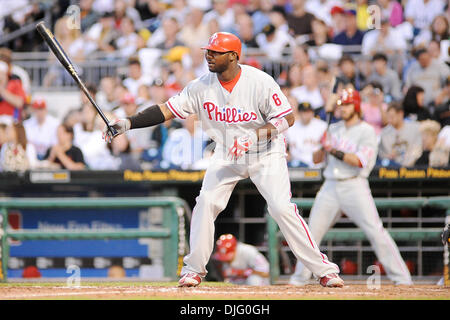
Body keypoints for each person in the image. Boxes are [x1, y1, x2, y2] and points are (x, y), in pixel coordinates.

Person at [103, 32, 344, 288]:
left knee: (281, 208)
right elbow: (165, 110)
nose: (209, 55)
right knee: (205, 202)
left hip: (266, 152)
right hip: (227, 152)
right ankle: (193, 270)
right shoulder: (201, 86)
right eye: (208, 50)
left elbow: (287, 118)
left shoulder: (259, 81)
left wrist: (254, 136)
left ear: (233, 56)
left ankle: (324, 270)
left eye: (215, 52)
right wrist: (128, 123)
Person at [289, 88, 413, 286]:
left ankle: (403, 279)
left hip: (354, 185)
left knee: (375, 232)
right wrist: (322, 146)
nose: (343, 109)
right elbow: (316, 158)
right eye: (341, 105)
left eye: (346, 105)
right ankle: (299, 279)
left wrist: (333, 149)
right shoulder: (333, 128)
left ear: (355, 106)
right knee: (311, 234)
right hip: (330, 185)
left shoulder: (366, 130)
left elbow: (359, 161)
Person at [378, 102, 423, 167]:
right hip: (392, 169)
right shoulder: (384, 133)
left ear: (401, 114)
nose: (389, 120)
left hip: (413, 168)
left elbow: (418, 149)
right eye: (388, 117)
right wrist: (387, 157)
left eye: (392, 117)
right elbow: (382, 154)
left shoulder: (415, 128)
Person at [285, 102, 327, 168]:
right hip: (294, 164)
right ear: (299, 113)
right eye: (303, 112)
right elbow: (285, 149)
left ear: (312, 113)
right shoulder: (291, 127)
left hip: (315, 166)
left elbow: (325, 148)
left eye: (308, 112)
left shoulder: (322, 126)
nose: (306, 115)